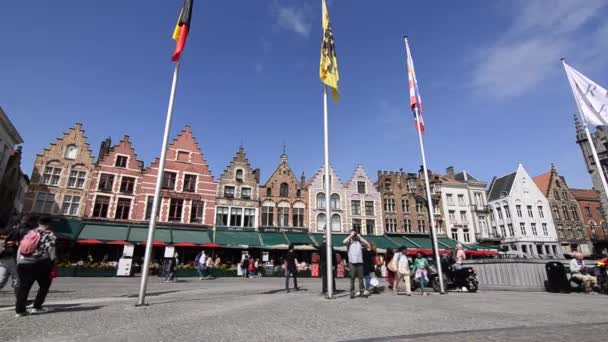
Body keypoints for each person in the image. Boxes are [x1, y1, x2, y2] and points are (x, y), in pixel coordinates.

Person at [15, 217, 57, 317]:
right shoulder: (49, 234)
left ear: (38, 223)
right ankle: (36, 307)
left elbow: (20, 247)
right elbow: (51, 250)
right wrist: (53, 261)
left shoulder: (29, 232)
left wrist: (18, 261)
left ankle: (20, 311)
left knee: (24, 287)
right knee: (44, 285)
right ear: (48, 225)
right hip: (40, 263)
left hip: (23, 262)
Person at [343, 230, 370, 298]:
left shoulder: (359, 242)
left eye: (355, 234)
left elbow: (367, 244)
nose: (354, 235)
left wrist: (360, 237)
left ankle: (362, 292)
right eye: (353, 234)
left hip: (360, 262)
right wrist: (350, 235)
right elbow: (343, 241)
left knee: (361, 278)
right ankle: (352, 293)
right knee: (352, 278)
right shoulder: (349, 242)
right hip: (352, 262)